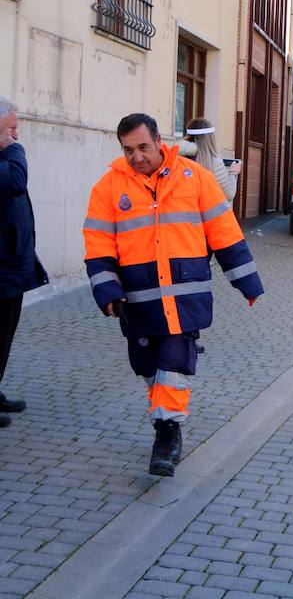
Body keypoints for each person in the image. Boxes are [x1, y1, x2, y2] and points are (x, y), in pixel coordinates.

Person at [83, 113, 264, 476]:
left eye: (143, 147)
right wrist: (107, 290)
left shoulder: (194, 178)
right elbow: (98, 244)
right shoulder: (108, 187)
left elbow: (223, 232)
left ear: (159, 141)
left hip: (183, 296)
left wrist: (247, 282)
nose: (137, 157)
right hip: (138, 298)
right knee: (149, 366)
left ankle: (167, 433)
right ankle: (164, 422)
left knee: (172, 360)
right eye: (128, 150)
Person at [0, 96, 48, 429]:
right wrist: (14, 150)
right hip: (2, 267)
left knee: (6, 332)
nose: (16, 136)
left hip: (11, 263)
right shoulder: (11, 158)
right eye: (11, 129)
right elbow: (16, 181)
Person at [176, 118, 242, 208]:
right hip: (202, 216)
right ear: (210, 138)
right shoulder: (214, 163)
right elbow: (228, 195)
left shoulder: (174, 157)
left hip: (176, 213)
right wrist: (233, 173)